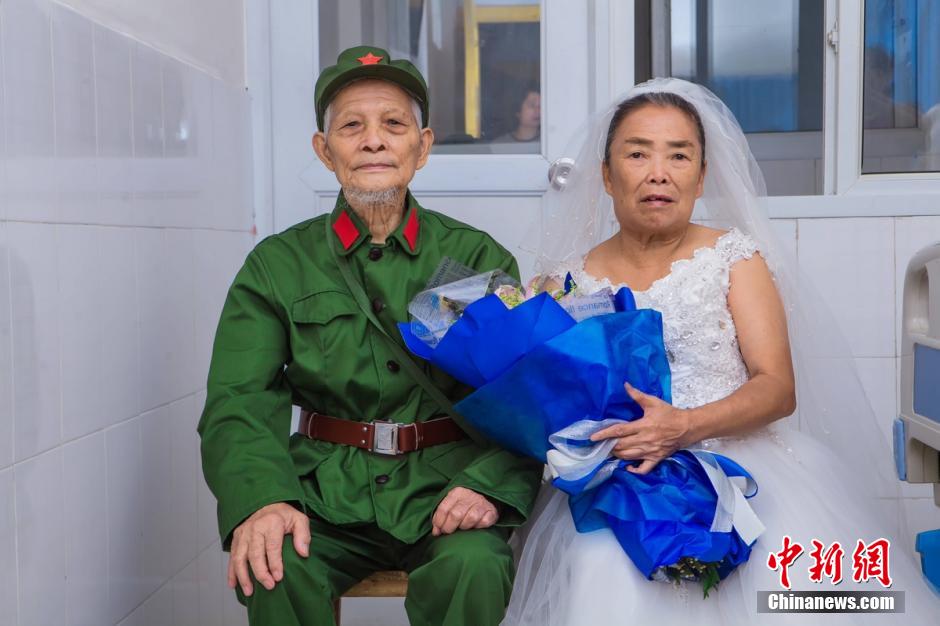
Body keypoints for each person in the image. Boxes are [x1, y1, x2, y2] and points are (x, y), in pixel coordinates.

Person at [502, 78, 937, 624]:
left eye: (679, 155)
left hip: (743, 466)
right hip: (622, 478)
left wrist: (683, 426)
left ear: (701, 175)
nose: (659, 172)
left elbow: (777, 389)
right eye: (638, 154)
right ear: (607, 176)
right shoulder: (566, 282)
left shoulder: (732, 258)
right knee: (602, 571)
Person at [198, 45, 543, 626]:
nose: (374, 140)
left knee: (475, 565)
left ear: (423, 147)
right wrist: (262, 499)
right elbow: (238, 400)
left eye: (394, 124)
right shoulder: (277, 265)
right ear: (324, 150)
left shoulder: (475, 256)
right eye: (351, 126)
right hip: (323, 494)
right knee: (274, 563)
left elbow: (525, 394)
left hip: (444, 489)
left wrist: (488, 486)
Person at [490, 83, 540, 153]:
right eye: (532, 105)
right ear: (518, 110)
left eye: (541, 105)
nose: (538, 110)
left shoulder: (550, 143)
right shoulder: (499, 146)